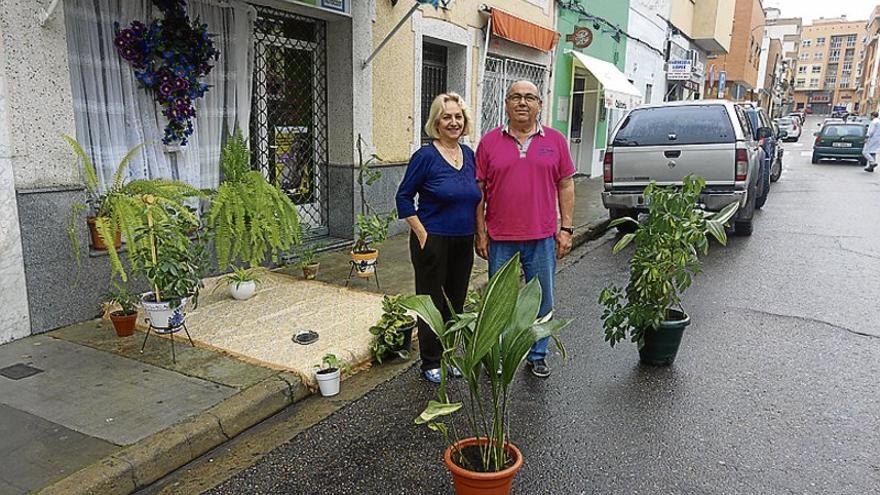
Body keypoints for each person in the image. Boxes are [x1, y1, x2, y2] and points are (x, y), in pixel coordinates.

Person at [475, 80, 576, 378]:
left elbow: (566, 184)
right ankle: (501, 353)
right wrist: (480, 233)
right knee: (500, 301)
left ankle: (538, 354)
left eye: (529, 97)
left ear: (539, 105)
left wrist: (566, 228)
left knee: (543, 298)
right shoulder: (489, 142)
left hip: (542, 236)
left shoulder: (555, 141)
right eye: (516, 97)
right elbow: (478, 192)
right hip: (500, 238)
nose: (522, 102)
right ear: (506, 103)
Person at [396, 93, 481, 383]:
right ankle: (430, 361)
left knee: (455, 302)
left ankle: (447, 355)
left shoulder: (469, 155)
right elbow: (403, 198)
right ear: (436, 122)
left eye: (458, 117)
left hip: (463, 240)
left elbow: (477, 195)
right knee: (431, 303)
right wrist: (422, 233)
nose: (454, 122)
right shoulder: (425, 156)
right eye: (447, 117)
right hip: (432, 240)